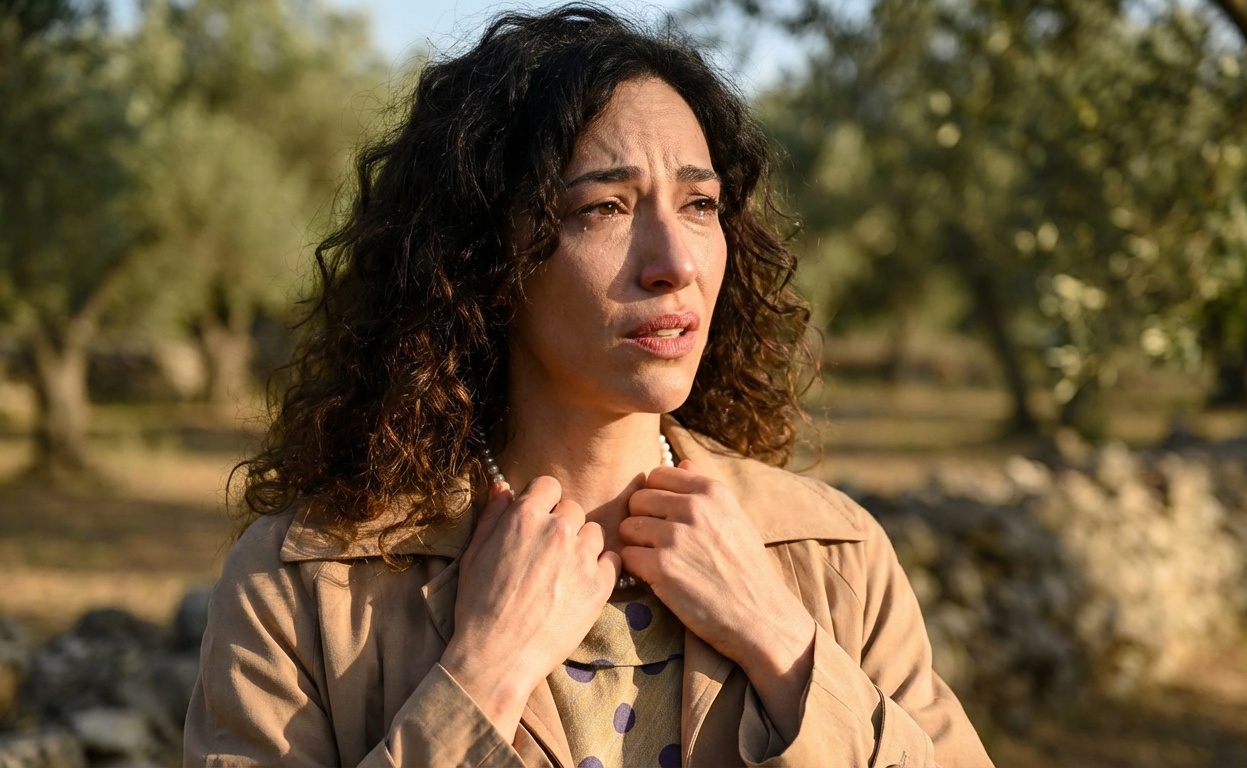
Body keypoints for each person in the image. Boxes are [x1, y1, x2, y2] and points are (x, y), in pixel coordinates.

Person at [183, 5, 992, 767]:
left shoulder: (833, 556)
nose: (674, 263)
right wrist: (484, 671)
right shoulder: (305, 585)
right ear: (482, 260)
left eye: (699, 204)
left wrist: (783, 642)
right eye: (605, 207)